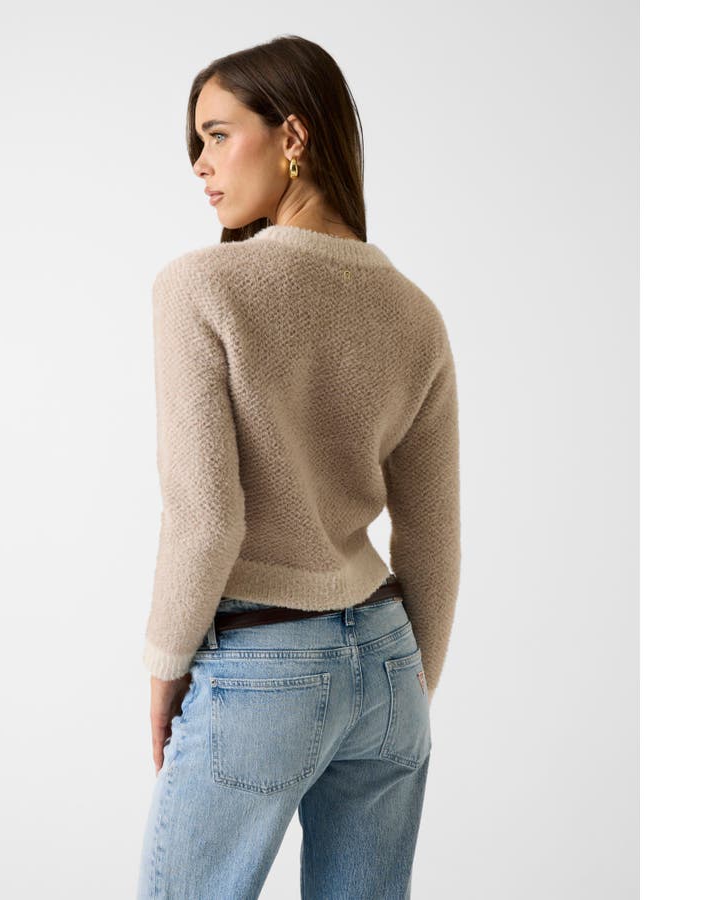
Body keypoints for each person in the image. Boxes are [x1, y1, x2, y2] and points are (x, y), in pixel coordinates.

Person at [136, 34, 461, 900]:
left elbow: (206, 518)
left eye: (217, 134)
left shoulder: (201, 286)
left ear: (292, 136)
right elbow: (431, 537)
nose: (200, 164)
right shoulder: (416, 314)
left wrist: (166, 666)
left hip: (259, 661)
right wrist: (406, 688)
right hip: (389, 662)